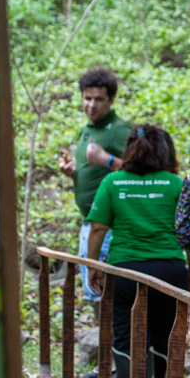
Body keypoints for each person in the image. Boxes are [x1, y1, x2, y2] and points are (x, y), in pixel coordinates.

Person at [85, 125, 190, 378]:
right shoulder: (174, 184)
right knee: (165, 337)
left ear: (129, 149)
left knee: (126, 337)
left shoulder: (113, 182)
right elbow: (187, 231)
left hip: (125, 270)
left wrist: (94, 266)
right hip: (169, 270)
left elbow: (97, 229)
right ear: (165, 151)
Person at [59, 67, 131, 305]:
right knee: (94, 293)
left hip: (110, 226)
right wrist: (72, 172)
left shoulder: (121, 130)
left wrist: (108, 160)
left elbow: (142, 173)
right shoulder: (85, 130)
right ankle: (105, 340)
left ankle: (111, 342)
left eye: (99, 99)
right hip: (88, 222)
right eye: (87, 98)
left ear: (111, 100)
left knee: (105, 295)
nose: (91, 105)